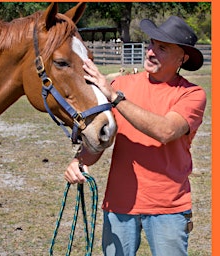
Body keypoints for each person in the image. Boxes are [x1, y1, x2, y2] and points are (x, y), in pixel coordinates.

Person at [65, 15, 207, 256]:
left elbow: (166, 130)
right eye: (151, 44)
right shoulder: (123, 83)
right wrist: (80, 161)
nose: (151, 52)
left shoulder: (192, 94)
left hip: (168, 208)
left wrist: (114, 96)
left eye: (162, 48)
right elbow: (102, 137)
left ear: (181, 58)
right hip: (120, 204)